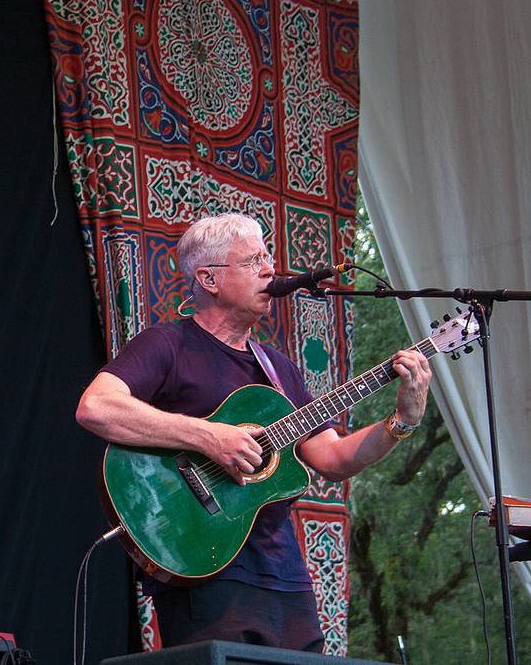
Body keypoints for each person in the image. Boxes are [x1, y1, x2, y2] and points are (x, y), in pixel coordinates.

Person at [75, 213, 432, 652]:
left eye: (267, 257)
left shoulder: (278, 369)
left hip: (282, 573)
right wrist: (208, 437)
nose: (270, 269)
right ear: (208, 278)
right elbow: (96, 407)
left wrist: (402, 421)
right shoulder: (168, 344)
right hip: (202, 558)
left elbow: (333, 459)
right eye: (253, 260)